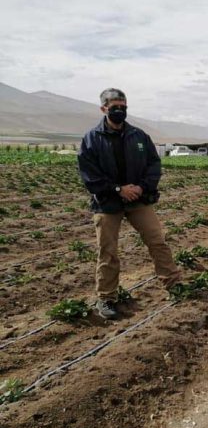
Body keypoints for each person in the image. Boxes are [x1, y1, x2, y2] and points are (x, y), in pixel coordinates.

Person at [77, 88, 183, 320]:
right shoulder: (92, 139)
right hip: (107, 204)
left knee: (157, 241)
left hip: (139, 200)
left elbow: (153, 165)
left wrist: (142, 188)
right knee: (108, 251)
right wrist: (118, 189)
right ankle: (106, 298)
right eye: (114, 107)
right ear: (103, 108)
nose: (119, 111)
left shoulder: (139, 136)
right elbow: (89, 174)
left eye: (123, 107)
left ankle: (173, 284)